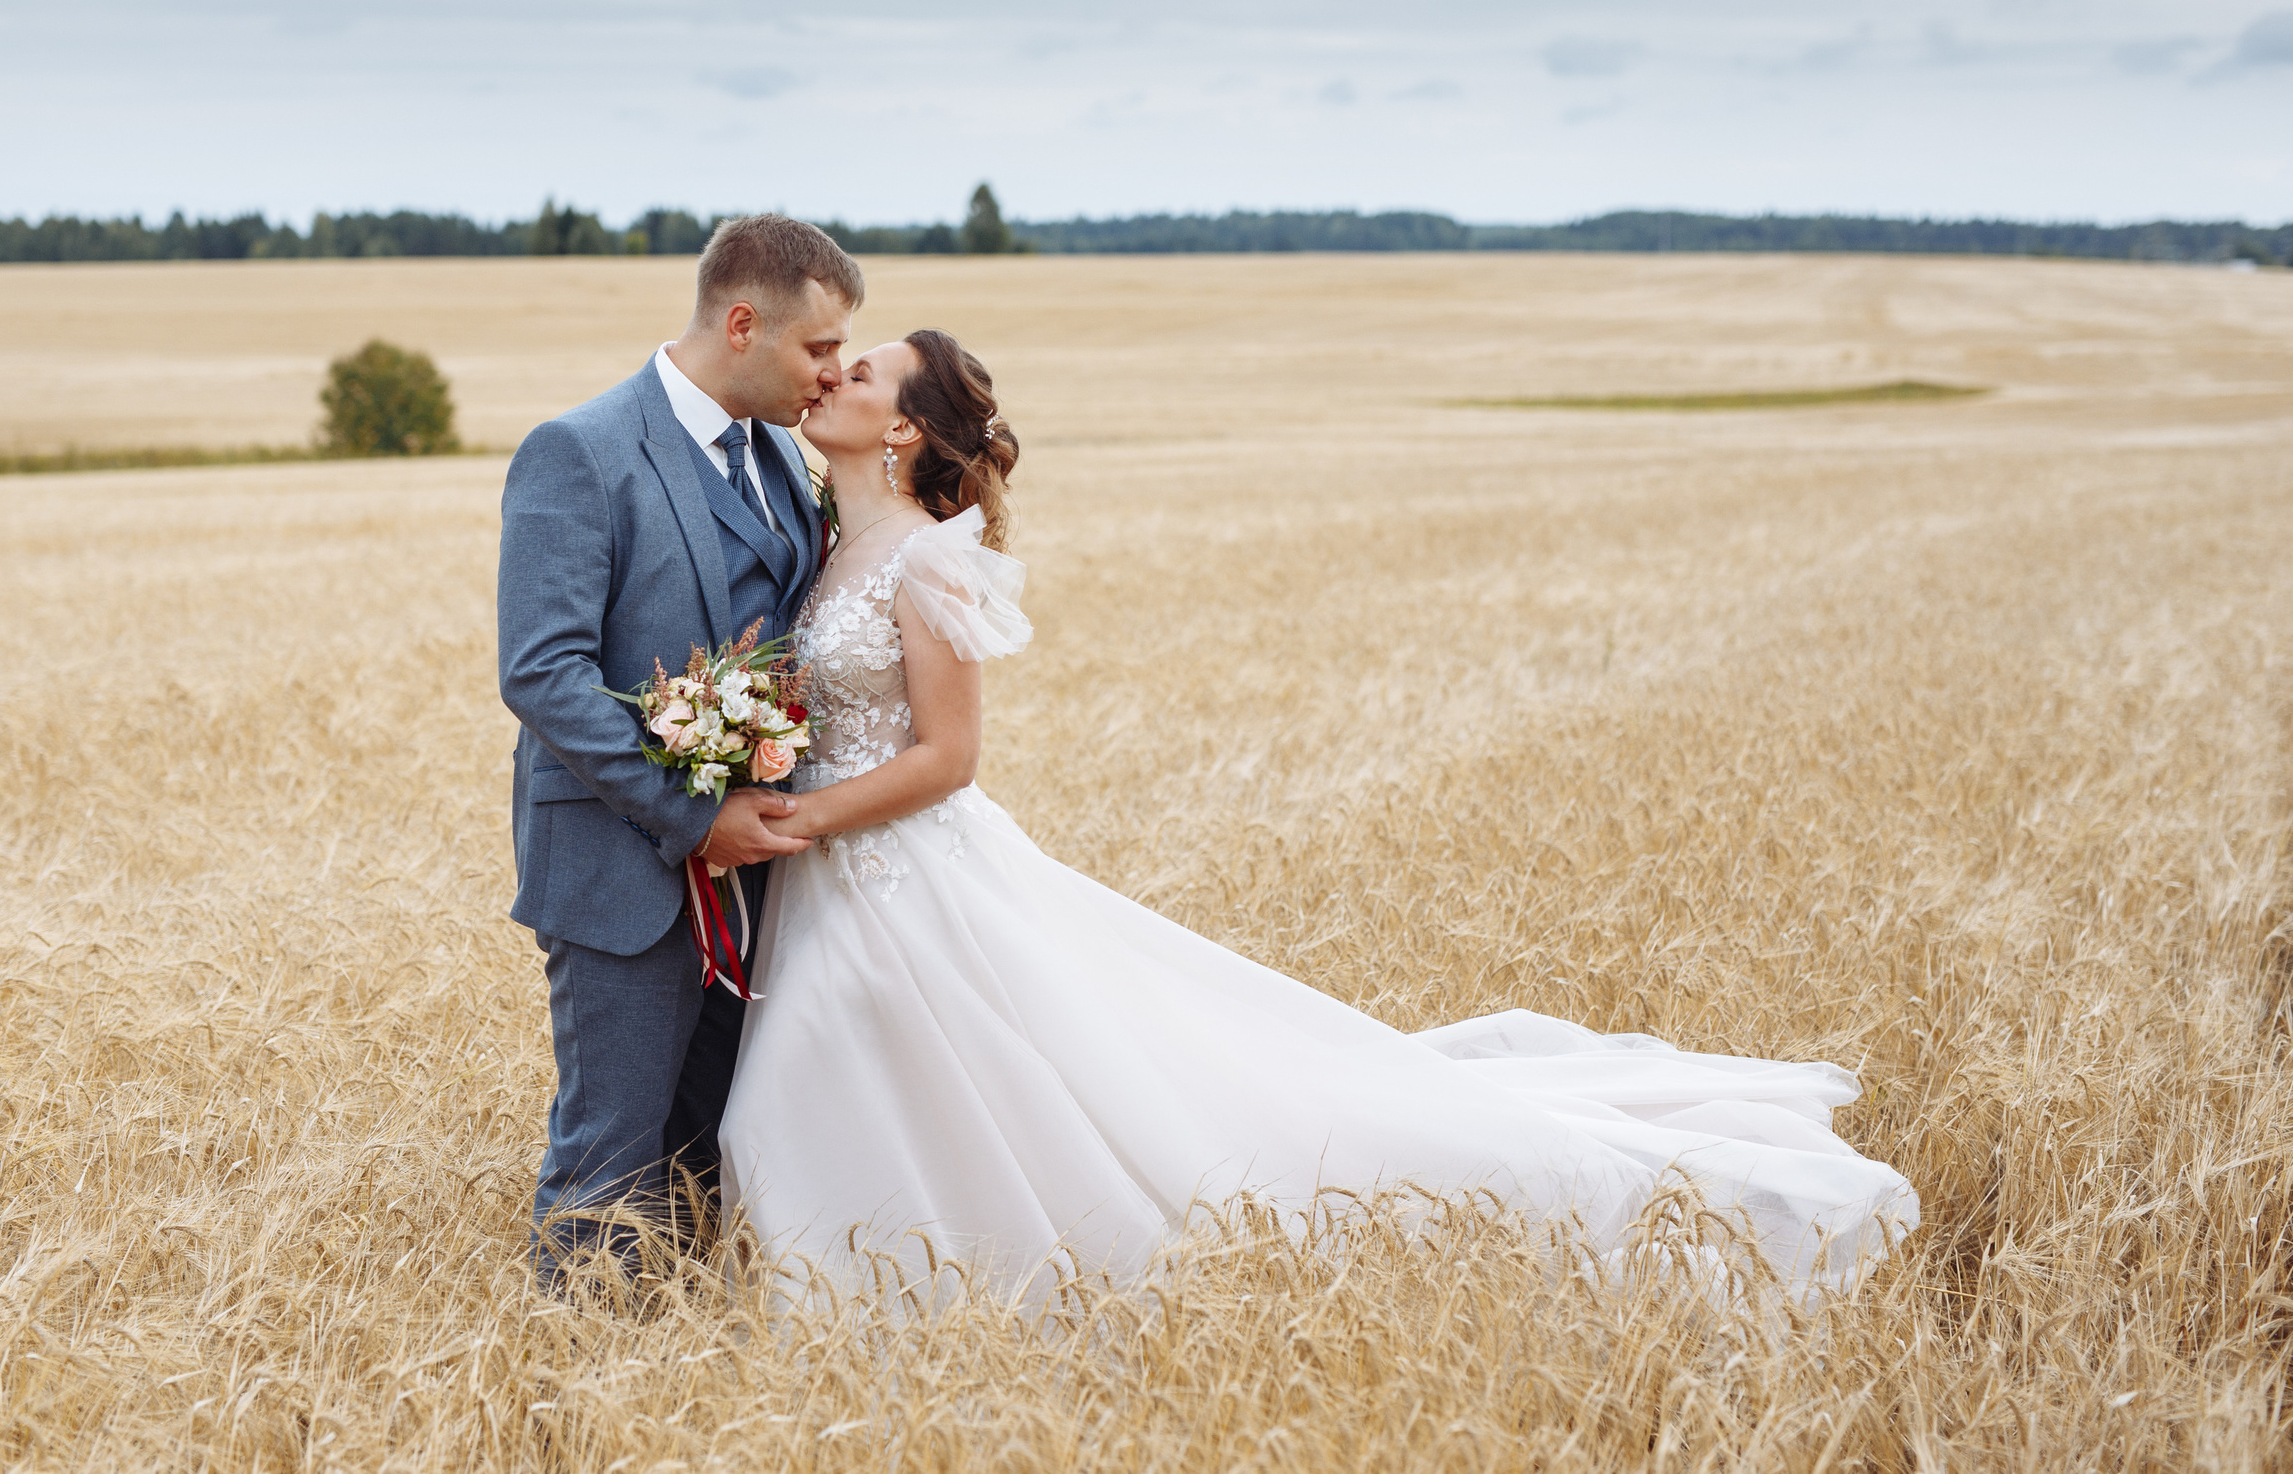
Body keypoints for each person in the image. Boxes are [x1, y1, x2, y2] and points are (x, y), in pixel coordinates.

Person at [718, 328, 1920, 1300]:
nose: (832, 377)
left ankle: (922, 1280)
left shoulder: (928, 560)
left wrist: (802, 821)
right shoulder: (830, 547)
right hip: (835, 875)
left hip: (891, 864)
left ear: (909, 425)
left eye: (860, 371)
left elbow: (950, 757)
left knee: (949, 1077)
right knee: (878, 1079)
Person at [497, 214, 855, 1287]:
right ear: (741, 323)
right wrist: (695, 816)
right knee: (609, 1160)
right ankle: (570, 1388)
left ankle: (674, 1384)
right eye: (818, 349)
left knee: (708, 1152)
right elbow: (542, 673)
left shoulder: (781, 458)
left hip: (757, 879)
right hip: (622, 873)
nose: (832, 375)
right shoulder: (581, 451)